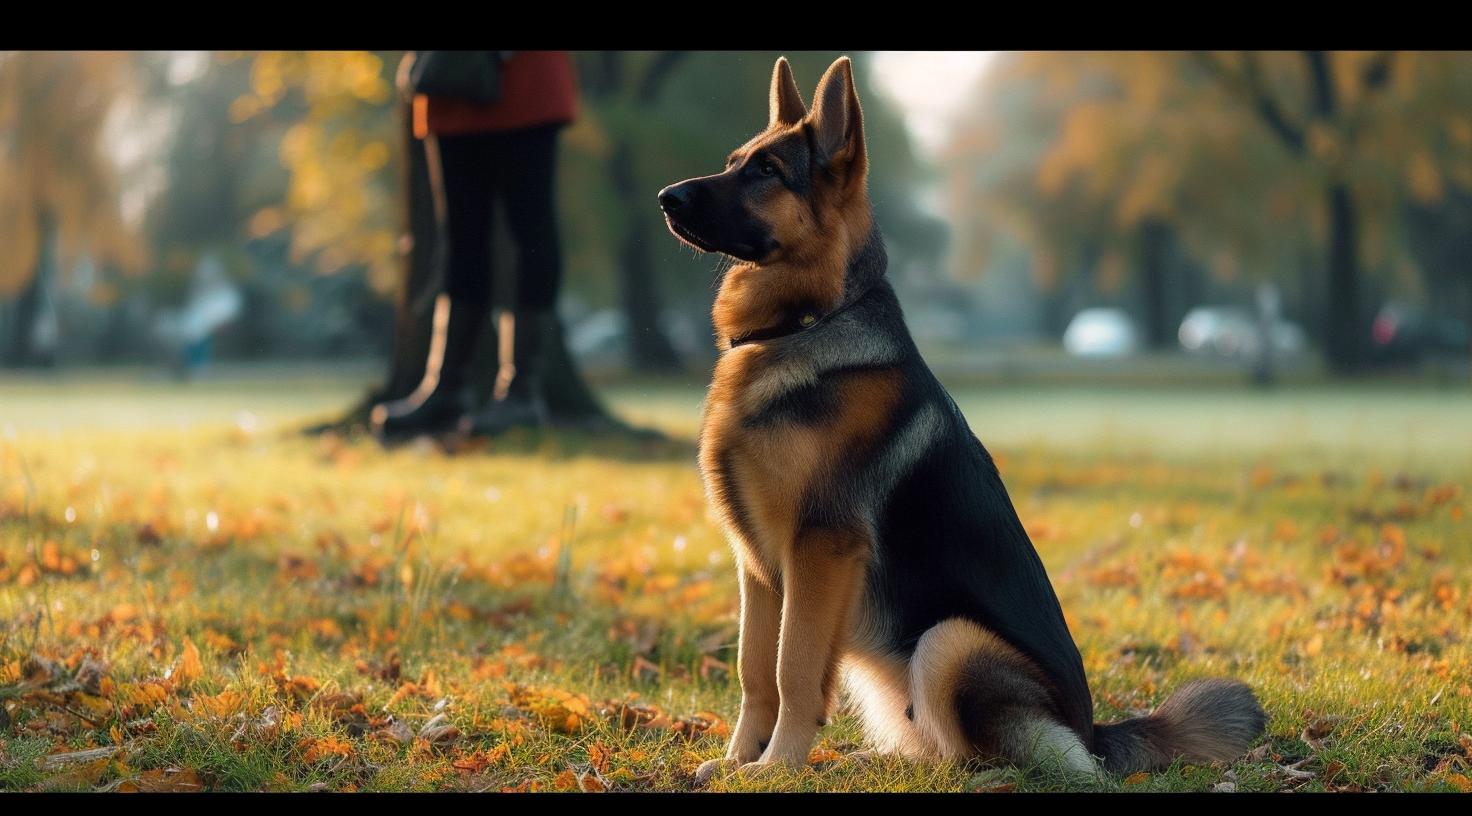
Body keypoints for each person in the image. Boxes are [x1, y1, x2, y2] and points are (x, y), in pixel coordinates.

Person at [372, 51, 578, 439]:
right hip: (452, 85)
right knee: (461, 241)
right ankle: (446, 388)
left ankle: (520, 391)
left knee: (531, 233)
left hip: (525, 84)